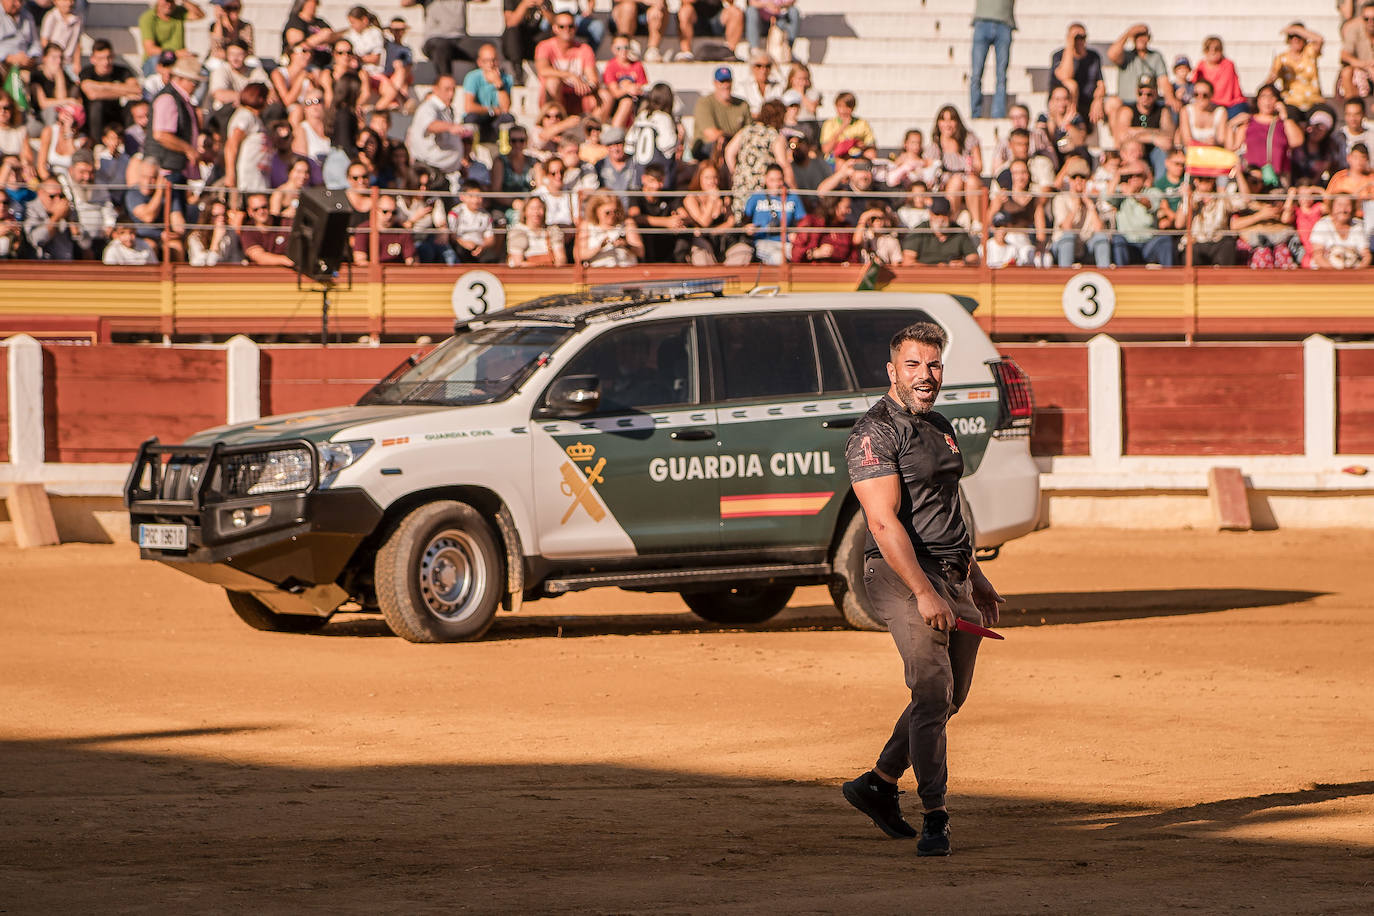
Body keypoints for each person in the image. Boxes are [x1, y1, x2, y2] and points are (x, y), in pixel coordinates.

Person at [840, 320, 1003, 857]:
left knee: (950, 697)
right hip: (901, 576)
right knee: (932, 696)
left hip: (951, 573)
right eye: (913, 365)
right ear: (892, 371)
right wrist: (924, 592)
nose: (925, 374)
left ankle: (879, 784)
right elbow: (884, 524)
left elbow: (949, 507)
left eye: (933, 364)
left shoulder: (939, 424)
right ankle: (937, 816)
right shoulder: (874, 433)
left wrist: (974, 575)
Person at [727, 98, 791, 219]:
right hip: (762, 187)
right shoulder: (774, 135)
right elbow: (783, 164)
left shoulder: (746, 130)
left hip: (741, 184)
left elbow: (729, 152)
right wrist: (794, 188)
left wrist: (736, 173)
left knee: (742, 220)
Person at [926, 105, 984, 227]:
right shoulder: (935, 146)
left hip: (969, 182)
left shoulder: (969, 139)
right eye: (943, 120)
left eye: (951, 120)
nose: (948, 124)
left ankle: (977, 223)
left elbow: (979, 165)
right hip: (947, 185)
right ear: (938, 123)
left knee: (972, 181)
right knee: (956, 180)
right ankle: (951, 218)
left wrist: (973, 169)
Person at [406, 75, 467, 187]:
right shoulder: (428, 107)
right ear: (436, 89)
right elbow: (430, 125)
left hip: (443, 173)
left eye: (453, 89)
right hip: (429, 172)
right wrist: (449, 127)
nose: (451, 94)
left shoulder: (447, 111)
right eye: (447, 89)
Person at [535, 9, 600, 115]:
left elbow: (593, 79)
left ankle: (594, 128)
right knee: (552, 82)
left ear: (575, 28)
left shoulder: (584, 49)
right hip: (555, 97)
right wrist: (569, 75)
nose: (567, 30)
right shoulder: (544, 46)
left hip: (578, 96)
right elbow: (543, 70)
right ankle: (557, 119)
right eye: (562, 26)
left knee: (602, 96)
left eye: (570, 26)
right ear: (555, 28)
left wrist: (588, 86)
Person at [1110, 75, 1176, 179]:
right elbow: (1122, 137)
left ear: (1155, 94)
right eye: (1141, 93)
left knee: (1164, 148)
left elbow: (1169, 135)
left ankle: (1158, 185)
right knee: (1132, 150)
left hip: (1154, 152)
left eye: (1149, 94)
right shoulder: (1127, 110)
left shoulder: (1162, 111)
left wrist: (1139, 131)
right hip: (1133, 153)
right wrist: (1153, 137)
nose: (1144, 97)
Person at [1106, 22, 1177, 118]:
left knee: (1172, 107)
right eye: (1137, 36)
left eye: (1143, 36)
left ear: (1149, 38)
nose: (1141, 39)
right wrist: (1128, 33)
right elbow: (1111, 55)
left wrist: (1170, 98)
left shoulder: (1156, 56)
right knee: (1112, 103)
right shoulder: (1126, 55)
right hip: (1127, 102)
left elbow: (1163, 79)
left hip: (1149, 102)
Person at [79, 39, 142, 145]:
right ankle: (97, 145)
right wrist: (121, 89)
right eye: (101, 58)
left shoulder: (122, 71)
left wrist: (100, 88)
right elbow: (92, 94)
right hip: (95, 120)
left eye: (108, 57)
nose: (105, 62)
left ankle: (130, 144)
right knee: (97, 105)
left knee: (132, 105)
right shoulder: (87, 72)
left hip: (118, 116)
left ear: (113, 56)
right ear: (93, 59)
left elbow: (136, 89)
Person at [1241, 84, 1303, 189]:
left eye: (1271, 97)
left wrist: (1285, 116)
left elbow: (1297, 141)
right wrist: (1231, 124)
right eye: (1264, 96)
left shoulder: (1282, 123)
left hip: (1277, 179)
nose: (1267, 101)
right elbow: (1232, 145)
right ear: (1257, 100)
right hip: (1253, 179)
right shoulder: (1248, 122)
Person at [1110, 162, 1173, 266]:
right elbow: (1106, 197)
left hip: (1149, 243)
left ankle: (1169, 279)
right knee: (1117, 240)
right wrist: (1118, 175)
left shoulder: (1153, 192)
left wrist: (1134, 195)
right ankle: (1120, 278)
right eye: (1130, 176)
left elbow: (1149, 204)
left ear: (1145, 177)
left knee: (1165, 240)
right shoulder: (1120, 193)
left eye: (1138, 175)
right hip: (1128, 243)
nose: (1133, 178)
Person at [399, 0, 479, 82]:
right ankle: (445, 84)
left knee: (486, 49)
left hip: (459, 39)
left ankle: (485, 83)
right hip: (435, 40)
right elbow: (405, 2)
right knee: (442, 47)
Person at [740, 162, 803, 264]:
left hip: (787, 243)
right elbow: (743, 222)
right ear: (765, 179)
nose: (776, 184)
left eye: (779, 180)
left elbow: (802, 221)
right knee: (778, 257)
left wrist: (796, 233)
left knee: (801, 255)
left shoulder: (793, 197)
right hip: (763, 242)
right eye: (772, 180)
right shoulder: (756, 197)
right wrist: (748, 229)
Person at [1051, 158, 1110, 267]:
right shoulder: (1060, 198)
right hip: (1062, 245)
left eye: (1082, 177)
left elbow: (1099, 229)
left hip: (1085, 246)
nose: (1078, 181)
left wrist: (1090, 206)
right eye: (1074, 177)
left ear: (1087, 180)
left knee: (1101, 238)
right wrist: (1075, 207)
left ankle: (1105, 275)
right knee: (1068, 238)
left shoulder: (1094, 201)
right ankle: (1064, 276)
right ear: (1069, 179)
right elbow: (1066, 227)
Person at [675, 160, 734, 264]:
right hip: (700, 243)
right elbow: (703, 223)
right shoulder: (691, 198)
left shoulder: (725, 198)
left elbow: (731, 222)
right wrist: (711, 201)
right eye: (707, 178)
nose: (711, 181)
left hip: (721, 241)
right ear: (699, 178)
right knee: (702, 255)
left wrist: (713, 231)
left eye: (715, 177)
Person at [1050, 22, 1105, 125]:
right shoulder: (1058, 56)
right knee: (1071, 85)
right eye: (1076, 37)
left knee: (1113, 104)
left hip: (1087, 101)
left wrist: (1098, 100)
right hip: (1062, 103)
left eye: (1082, 37)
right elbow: (1066, 75)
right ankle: (1070, 122)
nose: (1079, 40)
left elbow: (1101, 84)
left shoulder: (1093, 56)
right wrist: (1070, 45)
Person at [691, 67, 750, 161]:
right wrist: (734, 137)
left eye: (728, 81)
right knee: (717, 144)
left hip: (735, 147)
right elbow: (711, 134)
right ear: (715, 83)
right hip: (707, 148)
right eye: (722, 82)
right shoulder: (704, 103)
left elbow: (749, 133)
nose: (725, 85)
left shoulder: (743, 104)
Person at [1266, 23, 1325, 116]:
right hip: (1291, 102)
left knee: (1322, 119)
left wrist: (1295, 29)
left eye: (1299, 36)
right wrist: (1273, 76)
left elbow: (1319, 39)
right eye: (1292, 36)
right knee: (1289, 119)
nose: (1295, 39)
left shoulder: (1309, 52)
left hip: (1314, 101)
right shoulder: (1282, 58)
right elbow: (1271, 79)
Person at [626, 82, 679, 188]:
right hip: (658, 177)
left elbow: (629, 145)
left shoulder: (642, 116)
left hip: (639, 174)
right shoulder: (664, 118)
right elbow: (668, 146)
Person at [901, 195, 978, 266]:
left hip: (952, 277)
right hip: (923, 278)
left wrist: (964, 263)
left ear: (950, 214)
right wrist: (935, 268)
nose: (941, 218)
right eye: (937, 214)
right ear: (930, 214)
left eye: (944, 214)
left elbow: (974, 258)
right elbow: (908, 261)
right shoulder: (920, 231)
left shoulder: (958, 231)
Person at [969, 0, 1015, 119]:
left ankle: (998, 114)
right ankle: (975, 113)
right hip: (982, 21)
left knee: (1001, 75)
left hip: (1004, 23)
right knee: (976, 74)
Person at [462, 42, 515, 143]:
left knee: (508, 118)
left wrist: (499, 85)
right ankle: (471, 151)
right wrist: (492, 110)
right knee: (470, 119)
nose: (491, 65)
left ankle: (505, 154)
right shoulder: (472, 77)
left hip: (496, 119)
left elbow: (505, 108)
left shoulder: (506, 79)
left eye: (493, 60)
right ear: (479, 62)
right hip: (480, 117)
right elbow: (469, 106)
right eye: (486, 61)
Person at [628, 162, 681, 262]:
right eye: (652, 180)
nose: (656, 186)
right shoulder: (635, 194)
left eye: (660, 181)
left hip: (666, 240)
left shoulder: (669, 195)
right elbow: (635, 217)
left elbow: (682, 213)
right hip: (647, 240)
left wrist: (679, 221)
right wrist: (666, 222)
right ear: (643, 179)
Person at [576, 190, 643, 266]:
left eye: (616, 211)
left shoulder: (627, 223)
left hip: (625, 269)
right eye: (607, 212)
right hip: (597, 271)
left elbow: (640, 252)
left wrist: (626, 244)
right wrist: (600, 246)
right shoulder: (586, 225)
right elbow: (579, 255)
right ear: (596, 210)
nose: (612, 215)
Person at [138, 0, 205, 76]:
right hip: (159, 60)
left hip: (178, 59)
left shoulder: (179, 11)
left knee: (202, 73)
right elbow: (150, 50)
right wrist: (176, 54)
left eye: (171, 1)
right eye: (166, 1)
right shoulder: (148, 18)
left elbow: (200, 15)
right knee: (158, 62)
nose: (169, 5)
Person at [790, 194, 856, 263]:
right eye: (846, 207)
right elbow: (796, 255)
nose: (849, 211)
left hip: (840, 271)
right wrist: (815, 253)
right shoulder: (811, 223)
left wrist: (849, 263)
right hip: (814, 270)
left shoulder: (846, 227)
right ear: (834, 205)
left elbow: (853, 255)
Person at [1309, 194, 1370, 268]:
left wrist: (1356, 273)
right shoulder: (1322, 225)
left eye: (1347, 205)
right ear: (1332, 207)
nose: (1343, 209)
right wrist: (1336, 275)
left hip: (1352, 274)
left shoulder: (1358, 226)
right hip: (1325, 274)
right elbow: (1318, 257)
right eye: (1339, 205)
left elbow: (1366, 256)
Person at [23, 177, 76, 259]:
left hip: (65, 263)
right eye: (52, 196)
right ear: (40, 193)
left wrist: (71, 220)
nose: (58, 199)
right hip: (39, 264)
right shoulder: (30, 209)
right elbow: (36, 240)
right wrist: (57, 216)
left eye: (61, 195)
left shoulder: (67, 209)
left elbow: (84, 243)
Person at [506, 195, 566, 266]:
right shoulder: (518, 231)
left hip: (550, 272)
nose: (536, 213)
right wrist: (540, 266)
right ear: (525, 211)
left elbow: (561, 259)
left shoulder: (552, 231)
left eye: (539, 208)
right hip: (527, 273)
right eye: (532, 208)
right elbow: (518, 263)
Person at [820, 91, 875, 159]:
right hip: (836, 156)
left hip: (856, 155)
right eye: (840, 106)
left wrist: (860, 145)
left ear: (853, 108)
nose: (843, 111)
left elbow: (871, 144)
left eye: (847, 107)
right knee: (839, 160)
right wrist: (842, 128)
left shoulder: (862, 123)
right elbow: (826, 149)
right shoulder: (829, 124)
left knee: (870, 154)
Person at [1180, 79, 1228, 149]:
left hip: (1212, 152)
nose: (1200, 98)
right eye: (1196, 94)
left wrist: (1215, 142)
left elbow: (1222, 140)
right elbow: (1186, 141)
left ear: (1212, 95)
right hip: (1192, 154)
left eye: (1205, 95)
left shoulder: (1220, 111)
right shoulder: (1186, 111)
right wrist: (1204, 144)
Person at [1340, 1, 1374, 101]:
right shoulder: (1355, 28)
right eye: (1366, 19)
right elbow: (1344, 55)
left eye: (1373, 19)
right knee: (1347, 73)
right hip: (1361, 73)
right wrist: (1367, 66)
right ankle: (1354, 108)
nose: (1370, 22)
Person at [39, 0, 82, 71]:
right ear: (55, 1)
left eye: (71, 0)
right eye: (65, 0)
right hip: (53, 60)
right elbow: (44, 41)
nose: (69, 3)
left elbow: (77, 42)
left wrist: (77, 63)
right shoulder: (50, 16)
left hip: (68, 63)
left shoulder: (77, 18)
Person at [740, 49, 784, 118]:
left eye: (767, 66)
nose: (764, 70)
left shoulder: (777, 87)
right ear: (752, 67)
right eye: (759, 66)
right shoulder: (743, 88)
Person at [1335, 97, 1374, 169]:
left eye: (1357, 114)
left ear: (1364, 114)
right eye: (1349, 114)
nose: (1352, 119)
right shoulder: (1337, 137)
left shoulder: (1372, 137)